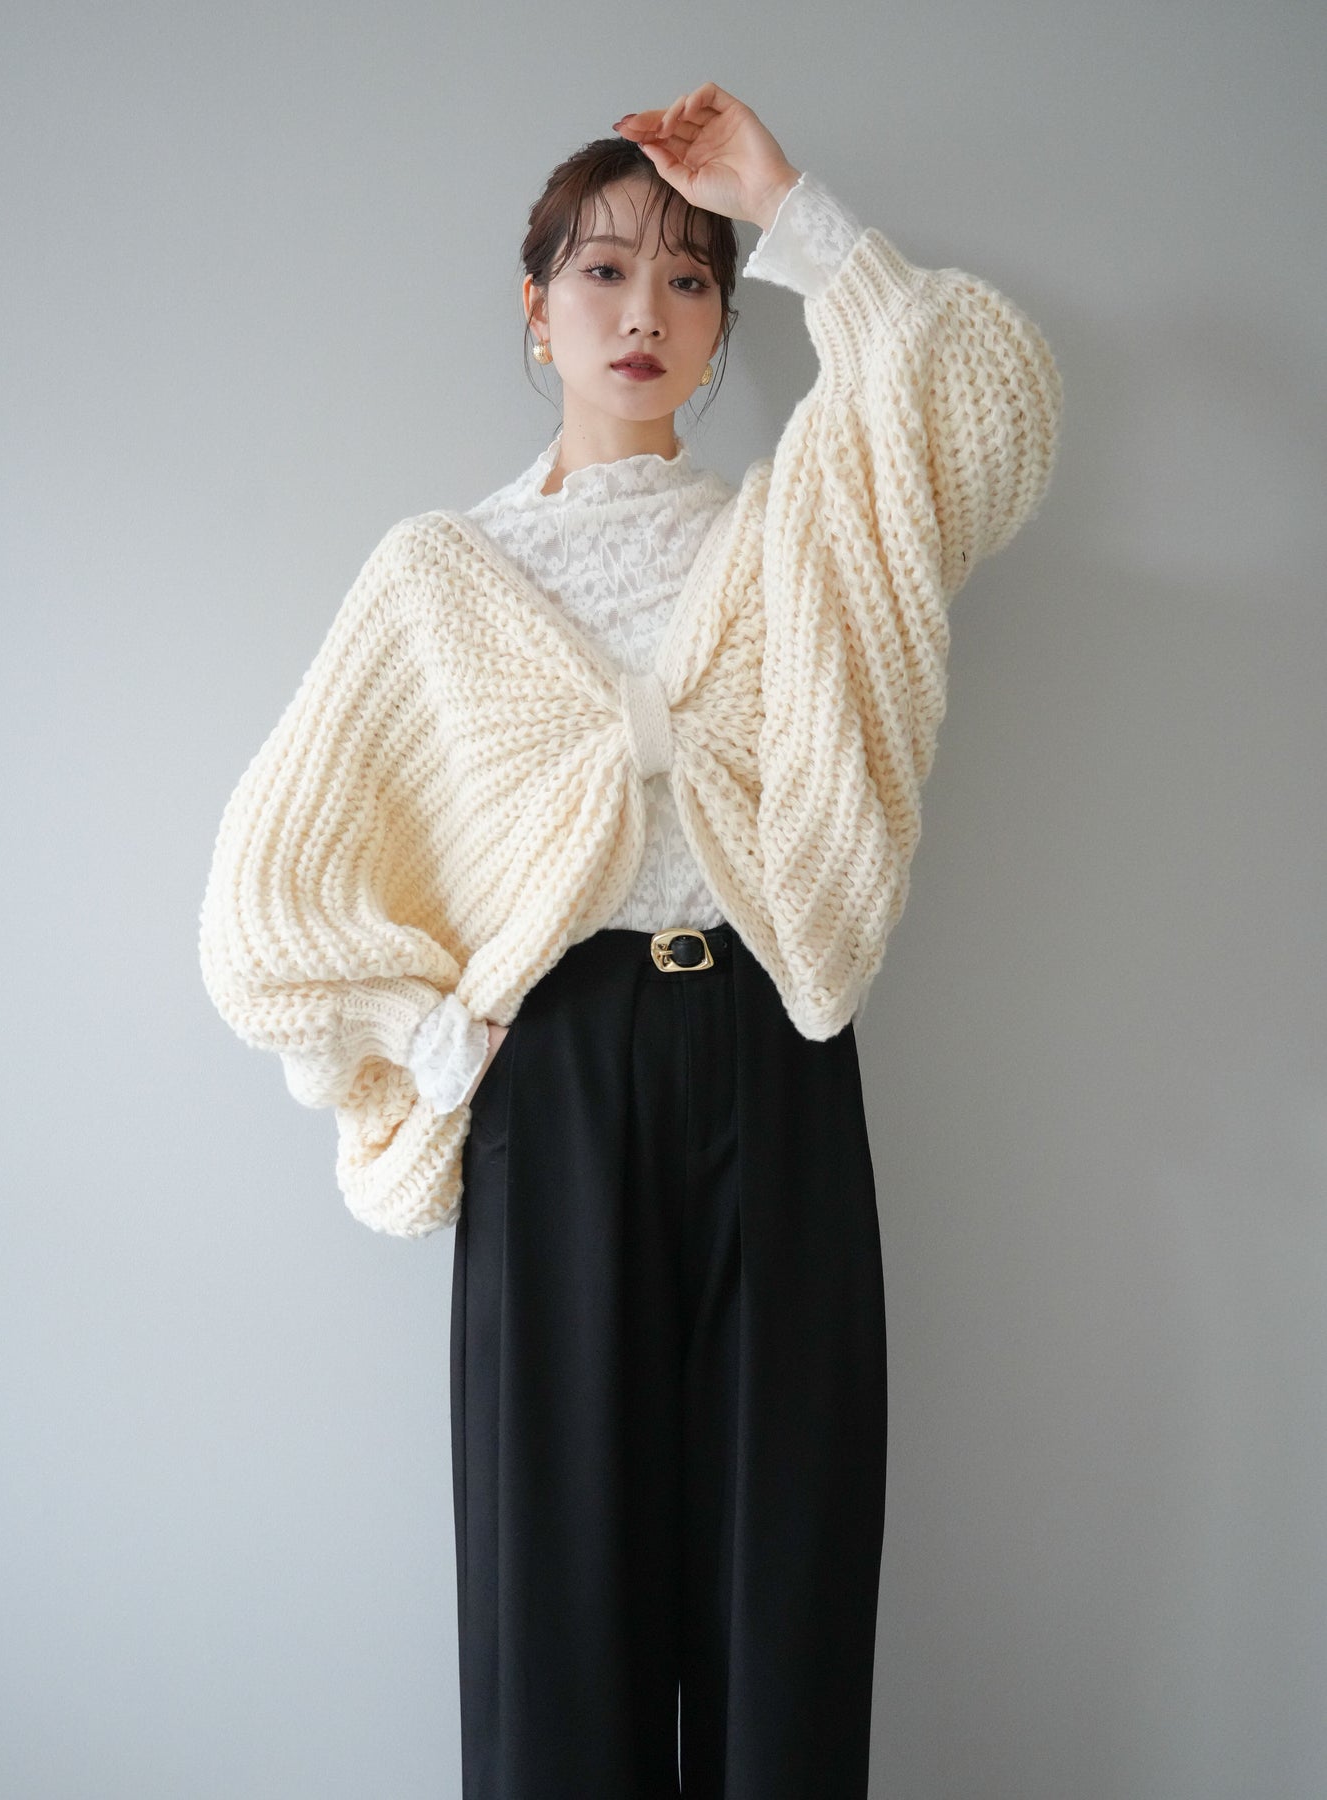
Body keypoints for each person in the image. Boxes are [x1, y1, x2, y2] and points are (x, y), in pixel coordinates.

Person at [198, 82, 1063, 1800]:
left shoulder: (799, 538)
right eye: (601, 272)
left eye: (686, 278)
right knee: (559, 1586)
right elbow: (263, 905)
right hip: (558, 1078)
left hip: (773, 1049)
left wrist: (791, 209)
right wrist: (434, 1040)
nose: (643, 310)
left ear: (725, 323)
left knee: (784, 1571)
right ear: (537, 314)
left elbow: (979, 401)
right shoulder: (439, 577)